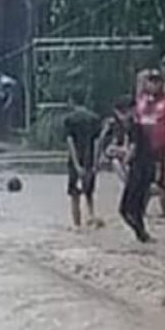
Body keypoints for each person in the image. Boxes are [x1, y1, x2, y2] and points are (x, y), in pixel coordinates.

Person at [136, 69, 165, 218]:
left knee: (163, 182)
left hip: (161, 149)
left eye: (157, 81)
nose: (154, 84)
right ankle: (140, 211)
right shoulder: (141, 101)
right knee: (142, 182)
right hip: (142, 149)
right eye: (151, 81)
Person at [114, 97, 155, 243]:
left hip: (138, 171)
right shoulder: (138, 125)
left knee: (124, 209)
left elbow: (132, 149)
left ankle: (142, 235)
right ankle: (142, 236)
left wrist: (120, 155)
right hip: (145, 170)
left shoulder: (133, 127)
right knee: (136, 209)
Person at [63, 92, 103, 229]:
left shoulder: (69, 119)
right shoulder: (95, 118)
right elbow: (97, 142)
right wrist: (96, 162)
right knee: (89, 193)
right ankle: (92, 218)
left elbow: (70, 143)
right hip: (90, 160)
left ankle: (77, 225)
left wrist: (76, 164)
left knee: (74, 195)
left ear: (71, 101)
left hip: (76, 162)